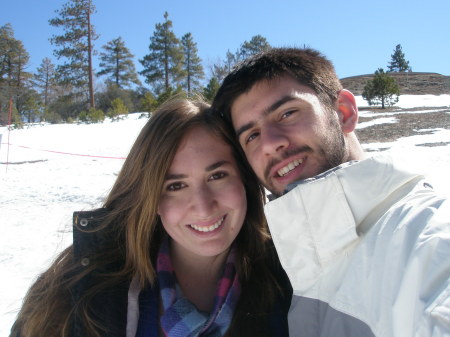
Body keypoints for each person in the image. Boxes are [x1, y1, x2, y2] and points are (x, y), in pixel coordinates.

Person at [212, 47, 450, 336]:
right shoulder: (279, 266)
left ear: (344, 112)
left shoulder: (427, 235)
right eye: (251, 135)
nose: (269, 144)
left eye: (287, 113)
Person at [10, 98, 291, 337]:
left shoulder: (292, 279)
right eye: (175, 186)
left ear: (243, 178)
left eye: (217, 175)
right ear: (152, 199)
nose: (204, 207)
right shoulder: (76, 292)